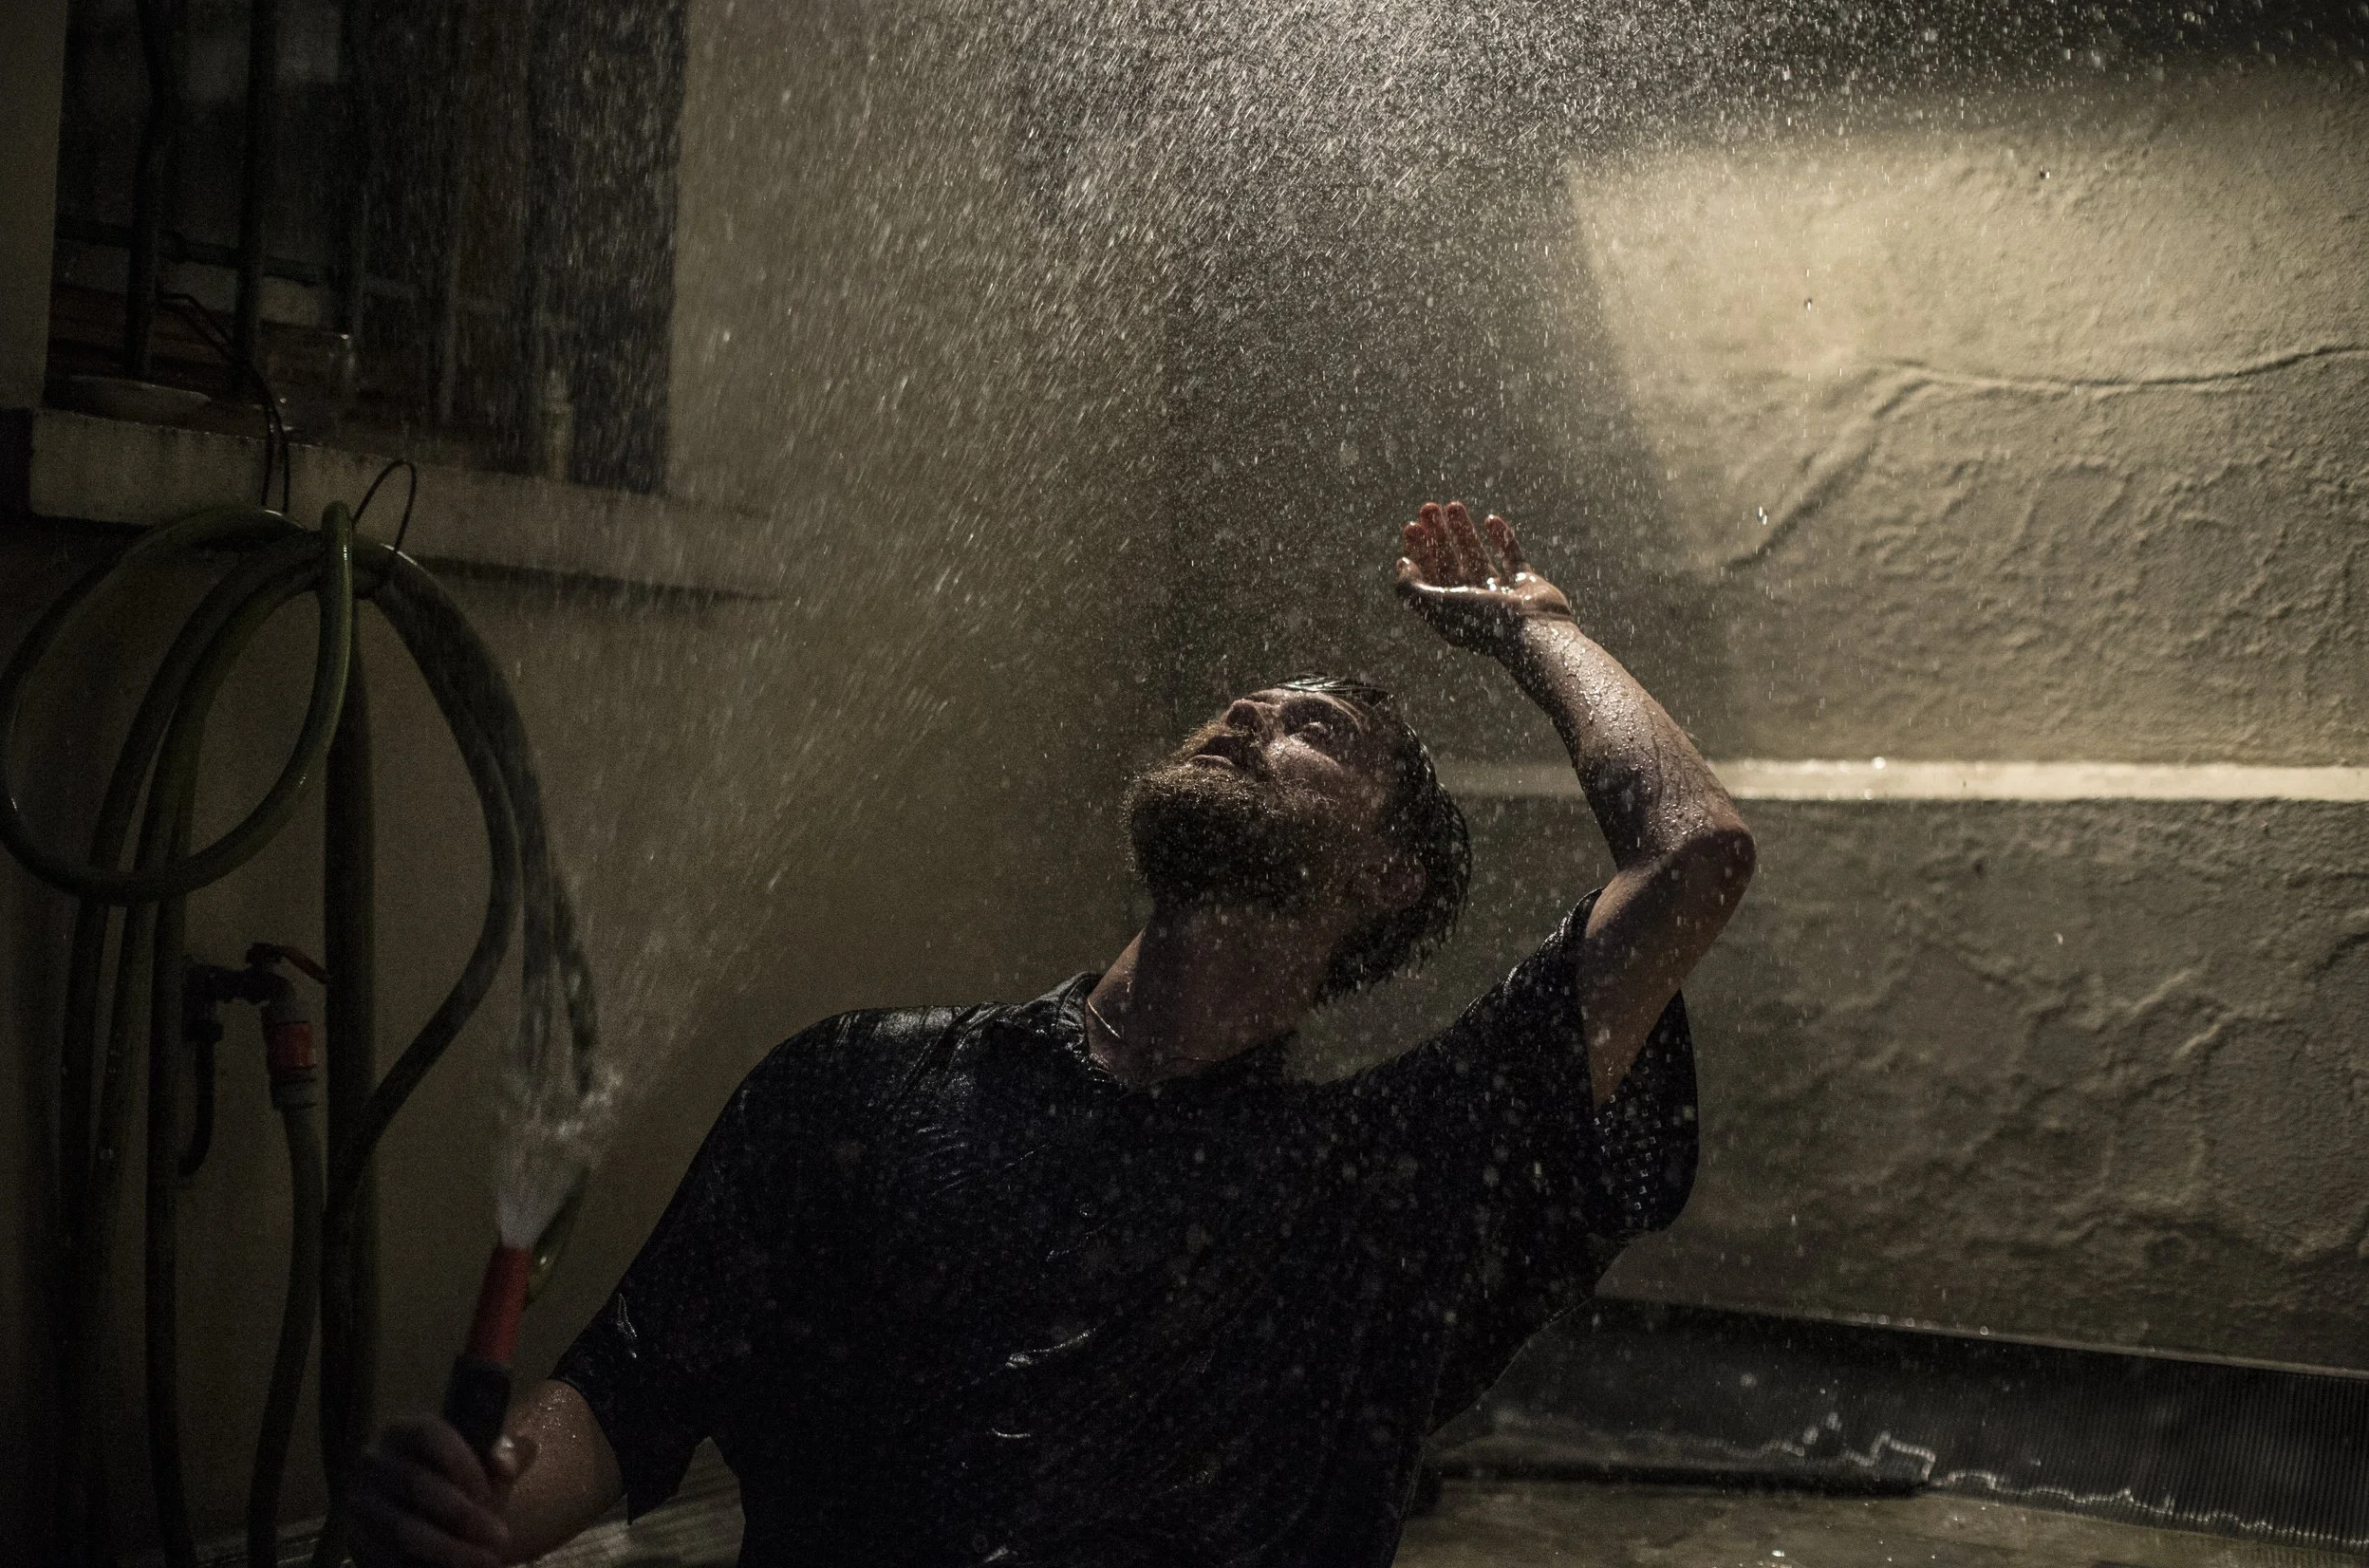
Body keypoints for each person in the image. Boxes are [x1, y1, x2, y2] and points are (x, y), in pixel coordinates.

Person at [347, 501, 1756, 1568]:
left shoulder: (1390, 1185)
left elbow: (1694, 856)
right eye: (1244, 701)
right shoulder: (859, 1087)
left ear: (1386, 878)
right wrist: (486, 1498)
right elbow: (625, 1395)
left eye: (1314, 724)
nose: (1253, 710)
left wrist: (1532, 627)